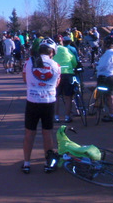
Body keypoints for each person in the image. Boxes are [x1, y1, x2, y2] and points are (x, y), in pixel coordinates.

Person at [21, 38, 61, 174]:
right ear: (52, 52)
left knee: (29, 133)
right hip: (48, 102)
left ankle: (26, 163)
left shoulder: (29, 62)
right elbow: (57, 83)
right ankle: (48, 163)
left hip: (32, 100)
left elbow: (25, 79)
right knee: (47, 133)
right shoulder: (56, 65)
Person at [53, 35, 78, 123]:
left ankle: (56, 117)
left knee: (56, 97)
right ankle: (67, 117)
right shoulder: (67, 50)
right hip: (68, 73)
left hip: (57, 74)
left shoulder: (53, 51)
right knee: (68, 97)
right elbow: (74, 62)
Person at [95, 37, 113, 122]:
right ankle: (112, 113)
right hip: (110, 76)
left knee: (109, 96)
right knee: (109, 95)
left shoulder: (109, 53)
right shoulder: (112, 52)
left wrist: (97, 67)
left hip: (107, 77)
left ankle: (112, 114)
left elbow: (104, 65)